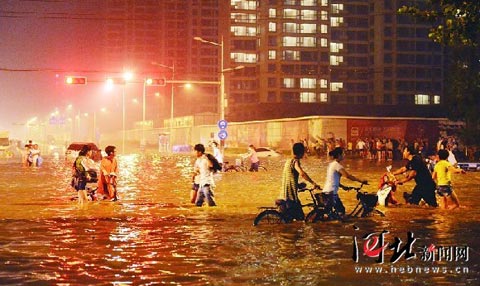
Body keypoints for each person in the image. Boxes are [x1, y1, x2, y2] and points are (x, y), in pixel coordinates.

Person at [322, 147, 368, 217]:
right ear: (339, 155)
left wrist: (343, 186)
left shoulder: (332, 164)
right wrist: (361, 180)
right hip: (331, 193)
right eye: (343, 153)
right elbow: (347, 176)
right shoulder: (337, 165)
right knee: (341, 211)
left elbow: (332, 179)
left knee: (336, 211)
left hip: (327, 191)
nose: (344, 155)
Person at [280, 142, 320, 221]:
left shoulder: (288, 161)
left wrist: (298, 185)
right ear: (301, 152)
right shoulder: (295, 161)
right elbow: (302, 173)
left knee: (293, 217)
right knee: (300, 217)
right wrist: (313, 183)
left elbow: (289, 177)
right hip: (291, 195)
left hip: (285, 193)